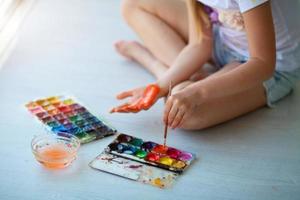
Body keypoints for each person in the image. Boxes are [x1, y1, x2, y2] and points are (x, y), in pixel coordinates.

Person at [110, 0, 300, 130]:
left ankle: (155, 64)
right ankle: (183, 78)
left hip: (269, 67)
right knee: (133, 4)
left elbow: (263, 64)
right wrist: (159, 86)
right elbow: (199, 43)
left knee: (186, 115)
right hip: (223, 41)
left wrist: (197, 92)